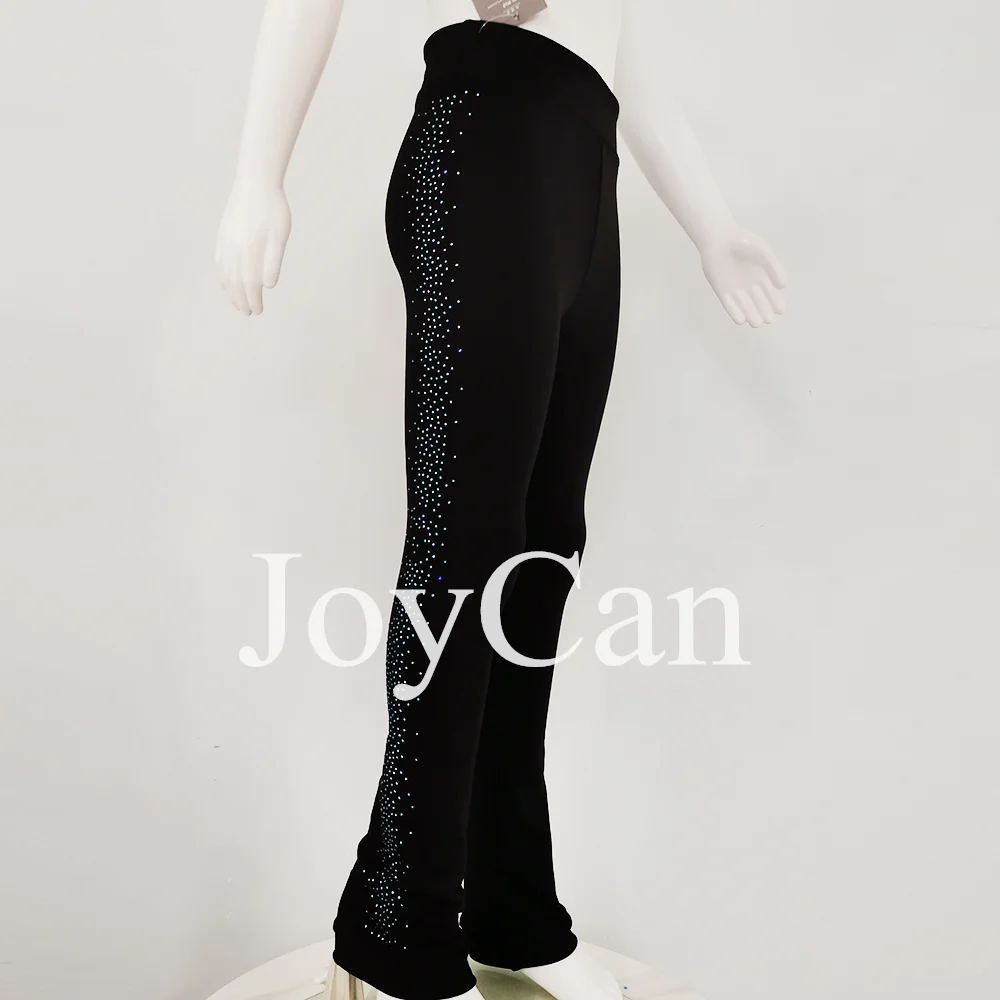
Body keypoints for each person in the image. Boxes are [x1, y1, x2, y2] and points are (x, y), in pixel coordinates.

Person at [215, 5, 788, 1000]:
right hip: (484, 148)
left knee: (541, 554)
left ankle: (510, 907)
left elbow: (617, 37)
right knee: (465, 547)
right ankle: (398, 929)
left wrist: (715, 227)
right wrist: (256, 176)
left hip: (584, 171)